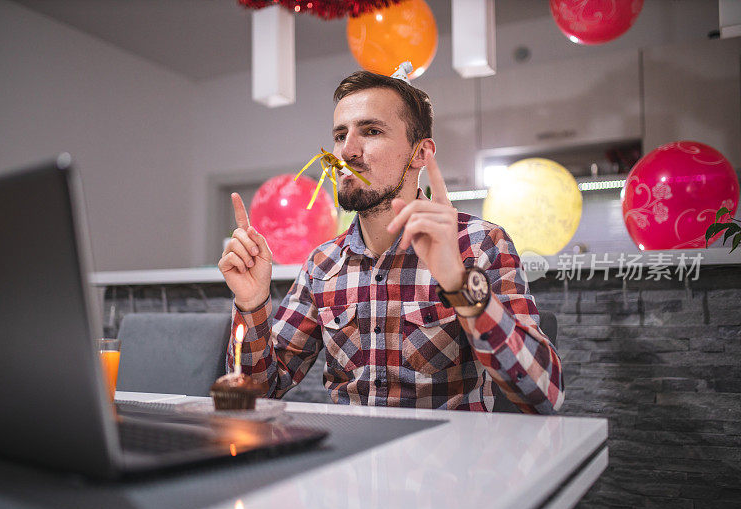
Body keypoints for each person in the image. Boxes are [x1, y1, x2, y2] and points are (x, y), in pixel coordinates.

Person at [218, 70, 564, 414]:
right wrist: (252, 303)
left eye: (371, 131)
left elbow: (544, 395)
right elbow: (260, 394)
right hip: (351, 459)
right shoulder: (322, 265)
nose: (347, 151)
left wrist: (461, 285)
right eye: (340, 135)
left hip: (451, 464)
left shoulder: (482, 244)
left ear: (420, 154)